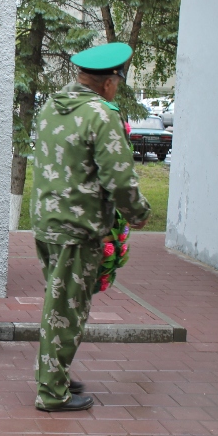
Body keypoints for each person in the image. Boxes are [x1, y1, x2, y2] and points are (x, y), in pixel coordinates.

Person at [31, 42, 151, 412]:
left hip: (47, 221)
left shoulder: (53, 105)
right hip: (78, 226)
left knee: (59, 301)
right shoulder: (101, 114)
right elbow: (118, 177)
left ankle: (55, 374)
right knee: (66, 309)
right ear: (111, 81)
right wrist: (138, 213)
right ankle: (52, 393)